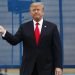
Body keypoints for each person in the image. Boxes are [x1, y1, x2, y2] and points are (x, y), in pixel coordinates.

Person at [0, 2, 63, 75]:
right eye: (33, 10)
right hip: (28, 68)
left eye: (38, 9)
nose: (36, 11)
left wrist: (58, 66)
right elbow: (14, 40)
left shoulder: (52, 27)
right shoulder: (24, 27)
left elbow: (57, 49)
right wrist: (4, 32)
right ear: (30, 12)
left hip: (47, 68)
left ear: (43, 12)